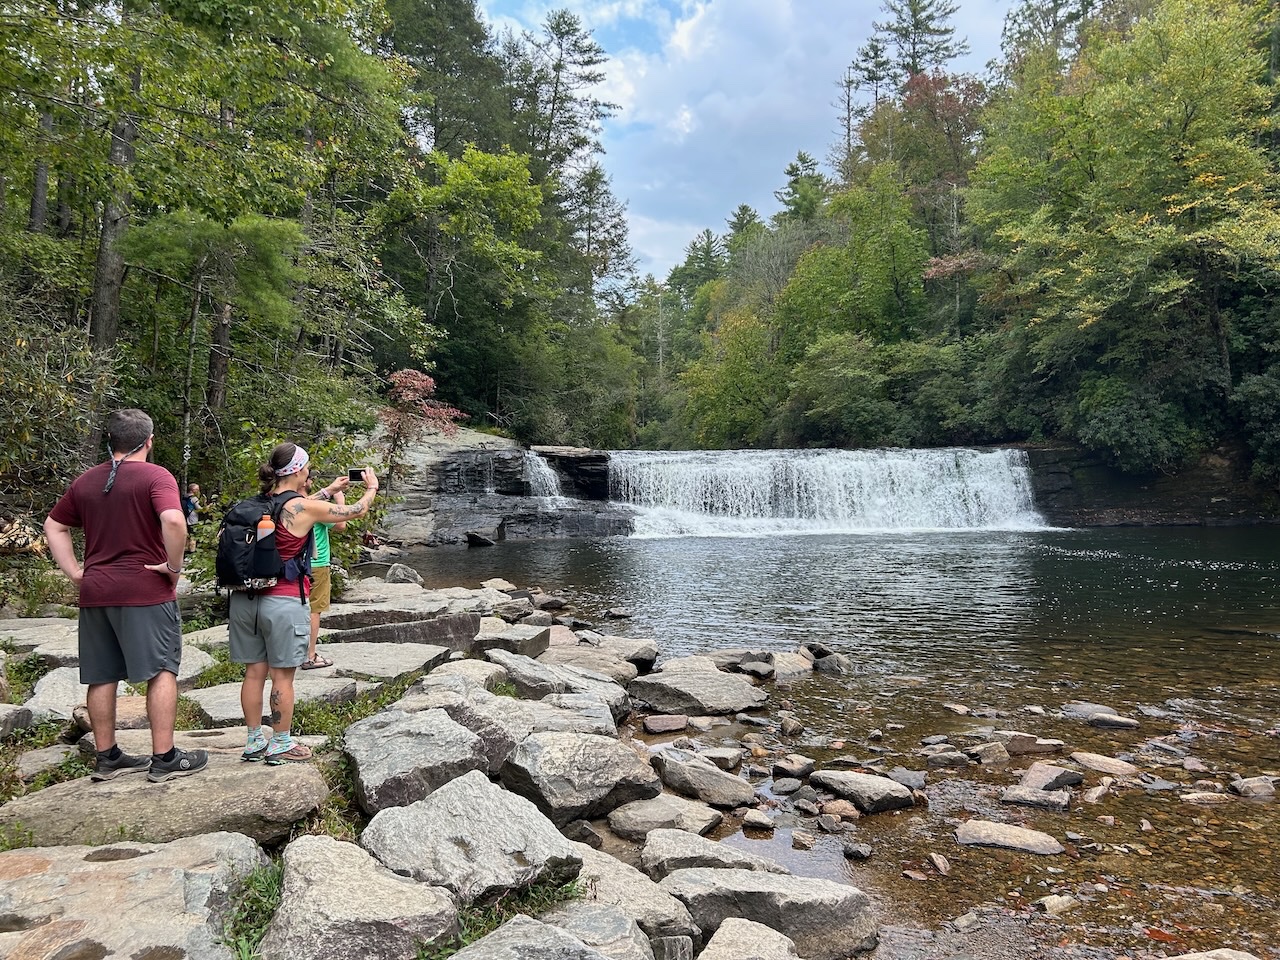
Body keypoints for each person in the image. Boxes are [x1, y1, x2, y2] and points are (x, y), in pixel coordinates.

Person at [43, 408, 208, 782]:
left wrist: (74, 572)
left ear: (110, 441)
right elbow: (173, 520)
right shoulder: (155, 476)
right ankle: (164, 758)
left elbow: (54, 525)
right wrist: (174, 565)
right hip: (145, 590)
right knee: (162, 669)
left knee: (102, 675)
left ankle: (107, 757)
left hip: (96, 591)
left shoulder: (86, 481)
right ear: (148, 441)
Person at [231, 442, 377, 764]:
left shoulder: (258, 503)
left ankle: (254, 740)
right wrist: (371, 489)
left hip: (245, 599)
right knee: (282, 677)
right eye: (307, 467)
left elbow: (310, 502)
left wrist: (328, 490)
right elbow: (355, 512)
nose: (309, 472)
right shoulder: (302, 508)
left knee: (253, 673)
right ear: (297, 471)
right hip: (282, 601)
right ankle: (280, 742)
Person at [300, 474, 350, 670]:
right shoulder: (316, 507)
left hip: (293, 564)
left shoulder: (288, 504)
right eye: (308, 475)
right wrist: (340, 499)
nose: (311, 478)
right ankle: (310, 656)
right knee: (313, 610)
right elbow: (341, 524)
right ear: (304, 481)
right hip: (317, 563)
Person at [181, 482, 201, 554]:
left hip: (185, 519)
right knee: (193, 536)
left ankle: (185, 553)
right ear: (192, 490)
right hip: (193, 520)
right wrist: (208, 508)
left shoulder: (185, 497)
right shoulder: (194, 498)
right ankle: (192, 553)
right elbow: (199, 509)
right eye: (197, 489)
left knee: (187, 536)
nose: (198, 491)